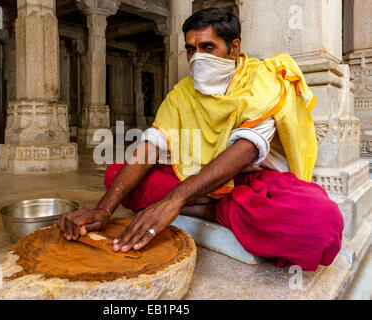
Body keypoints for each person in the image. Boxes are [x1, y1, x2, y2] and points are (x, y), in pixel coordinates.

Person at [57, 8, 344, 271]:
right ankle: (215, 208)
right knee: (116, 175)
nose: (198, 57)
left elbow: (246, 150)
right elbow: (151, 146)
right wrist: (104, 208)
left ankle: (208, 208)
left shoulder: (263, 78)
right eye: (191, 49)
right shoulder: (183, 92)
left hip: (252, 181)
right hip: (195, 178)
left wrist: (174, 201)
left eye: (208, 47)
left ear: (233, 49)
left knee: (320, 223)